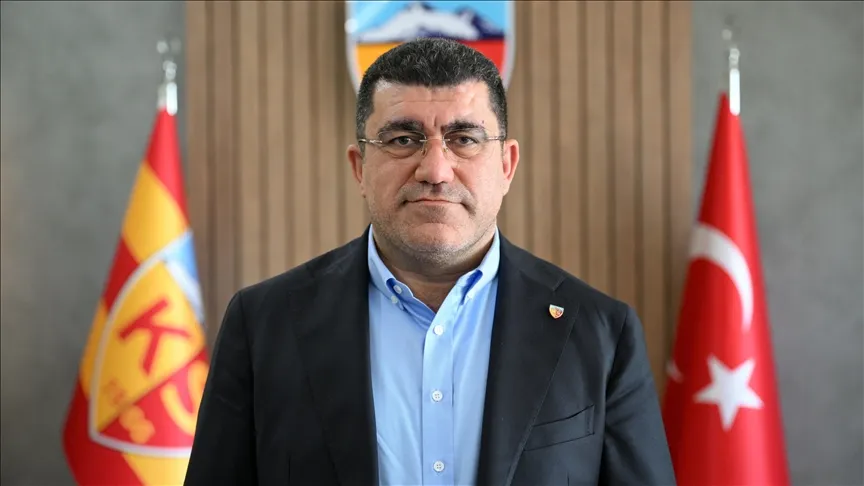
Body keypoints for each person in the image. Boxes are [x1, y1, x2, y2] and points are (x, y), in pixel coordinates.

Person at [184, 38, 675, 486]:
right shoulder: (263, 326)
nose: (435, 171)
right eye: (403, 140)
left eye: (464, 139)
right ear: (359, 167)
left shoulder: (599, 333)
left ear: (506, 165)